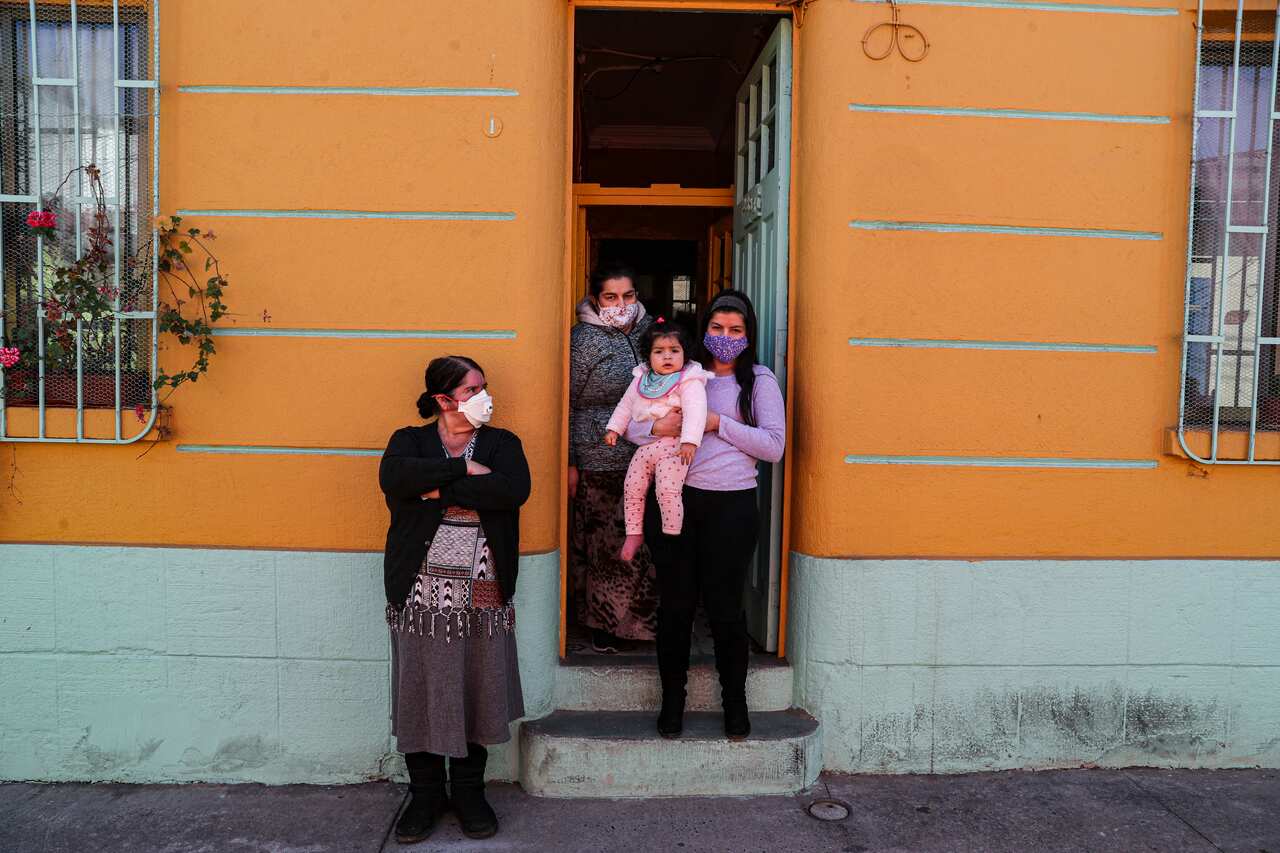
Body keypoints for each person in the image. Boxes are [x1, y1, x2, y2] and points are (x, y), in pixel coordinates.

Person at [379, 355, 531, 844]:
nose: (484, 396)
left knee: (474, 685)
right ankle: (425, 796)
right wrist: (465, 470)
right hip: (420, 593)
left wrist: (434, 486)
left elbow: (511, 491)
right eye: (472, 389)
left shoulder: (504, 444)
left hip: (482, 593)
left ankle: (468, 793)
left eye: (483, 386)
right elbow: (395, 481)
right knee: (422, 688)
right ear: (443, 400)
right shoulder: (410, 440)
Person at [626, 290, 785, 741]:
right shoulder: (679, 373)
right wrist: (661, 427)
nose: (725, 337)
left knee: (725, 611)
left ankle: (735, 704)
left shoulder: (759, 381)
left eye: (736, 330)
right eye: (717, 329)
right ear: (704, 331)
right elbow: (635, 424)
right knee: (675, 608)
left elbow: (774, 446)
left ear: (748, 335)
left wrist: (718, 424)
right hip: (674, 502)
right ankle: (671, 704)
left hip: (731, 507)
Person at [568, 263, 659, 653]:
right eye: (611, 297)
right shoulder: (583, 340)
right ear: (595, 300)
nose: (620, 304)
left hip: (650, 455)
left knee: (644, 544)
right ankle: (604, 626)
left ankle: (640, 627)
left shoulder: (650, 333)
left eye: (628, 296)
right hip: (599, 459)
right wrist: (571, 461)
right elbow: (568, 404)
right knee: (606, 546)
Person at [604, 319, 709, 561]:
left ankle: (672, 533)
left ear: (685, 353)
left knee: (667, 489)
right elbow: (626, 406)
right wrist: (614, 429)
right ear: (648, 356)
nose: (667, 357)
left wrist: (690, 442)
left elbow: (696, 411)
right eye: (659, 351)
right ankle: (634, 533)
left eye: (674, 350)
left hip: (674, 449)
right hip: (645, 448)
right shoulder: (641, 379)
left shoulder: (689, 380)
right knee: (632, 487)